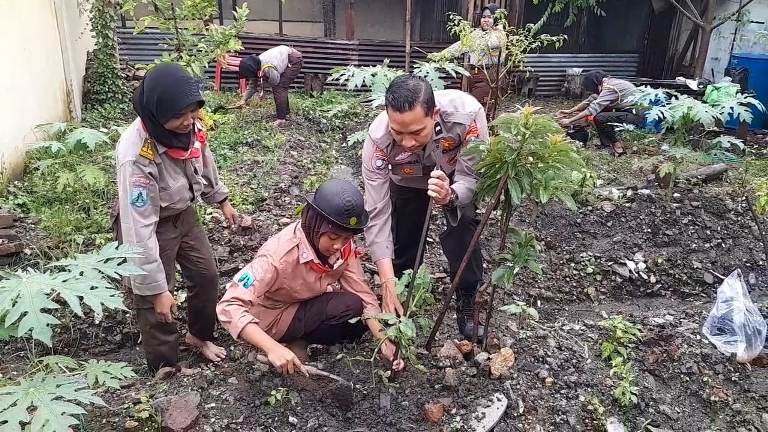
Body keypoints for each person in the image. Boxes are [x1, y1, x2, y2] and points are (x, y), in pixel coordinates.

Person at [113, 63, 240, 372]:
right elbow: (138, 228)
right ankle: (166, 367)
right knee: (155, 301)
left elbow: (203, 160)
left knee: (206, 276)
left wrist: (221, 200)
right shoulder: (136, 155)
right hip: (150, 225)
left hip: (183, 214)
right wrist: (156, 289)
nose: (188, 123)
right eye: (180, 117)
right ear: (157, 114)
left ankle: (199, 336)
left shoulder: (190, 127)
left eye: (192, 114)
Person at [217, 179, 404, 374]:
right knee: (348, 317)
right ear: (315, 225)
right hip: (270, 318)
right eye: (332, 237)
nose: (339, 245)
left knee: (353, 311)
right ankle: (285, 344)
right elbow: (228, 305)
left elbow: (363, 294)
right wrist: (271, 347)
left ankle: (300, 340)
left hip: (302, 304)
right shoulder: (277, 256)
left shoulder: (343, 248)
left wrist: (383, 342)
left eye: (346, 238)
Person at [362, 74, 488, 341]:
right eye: (399, 132)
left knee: (463, 227)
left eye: (417, 132)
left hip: (453, 177)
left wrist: (450, 196)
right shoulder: (377, 141)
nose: (407, 142)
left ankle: (466, 296)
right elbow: (377, 214)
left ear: (434, 114)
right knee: (403, 239)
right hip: (406, 179)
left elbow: (472, 177)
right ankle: (400, 292)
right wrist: (386, 283)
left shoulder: (467, 116)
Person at [429, 4, 506, 109]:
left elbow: (493, 44)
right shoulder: (477, 33)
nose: (486, 20)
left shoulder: (499, 34)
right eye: (483, 17)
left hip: (488, 75)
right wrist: (441, 55)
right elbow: (460, 46)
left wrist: (496, 28)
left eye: (490, 17)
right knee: (473, 105)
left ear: (497, 19)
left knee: (482, 107)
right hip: (474, 74)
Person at [556, 70, 642, 156]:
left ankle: (616, 145)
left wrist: (569, 120)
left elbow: (592, 109)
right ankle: (607, 144)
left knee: (600, 117)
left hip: (637, 116)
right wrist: (570, 111)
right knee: (601, 112)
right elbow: (592, 99)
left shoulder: (609, 88)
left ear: (593, 83)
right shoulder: (609, 83)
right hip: (627, 111)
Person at [234, 45, 304, 127]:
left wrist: (262, 87)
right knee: (280, 87)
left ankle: (281, 120)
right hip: (285, 56)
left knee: (280, 87)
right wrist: (243, 100)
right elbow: (253, 85)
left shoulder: (267, 67)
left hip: (293, 60)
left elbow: (275, 81)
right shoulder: (255, 65)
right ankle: (285, 112)